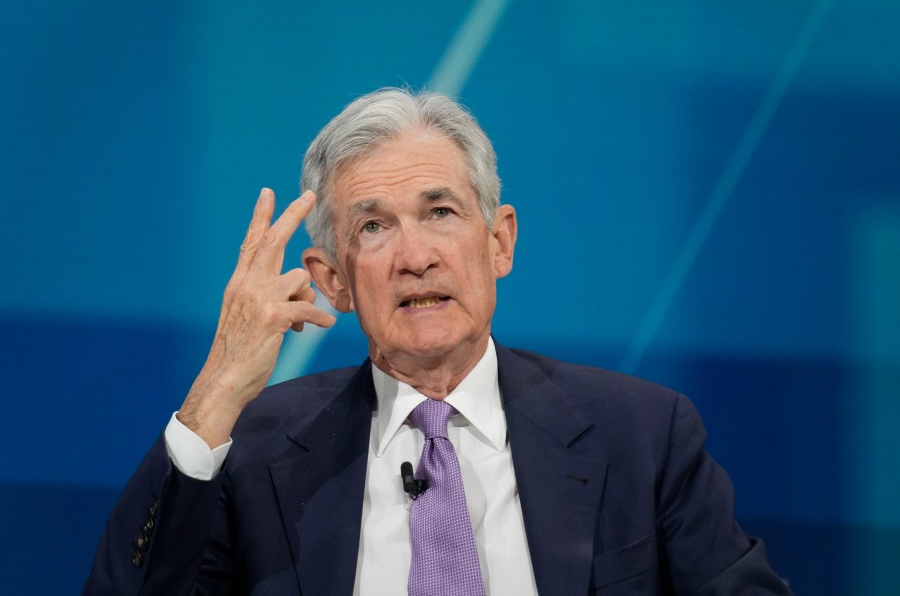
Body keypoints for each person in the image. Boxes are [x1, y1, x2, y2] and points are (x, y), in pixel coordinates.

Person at [84, 88, 792, 595]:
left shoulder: (641, 435)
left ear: (499, 242)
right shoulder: (256, 453)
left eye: (441, 212)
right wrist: (216, 394)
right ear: (332, 281)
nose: (414, 255)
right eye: (374, 227)